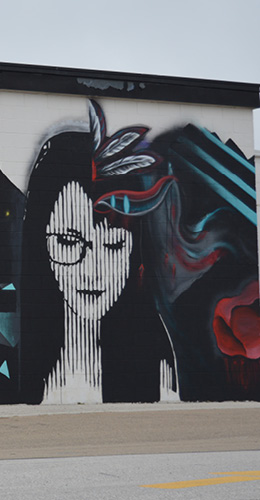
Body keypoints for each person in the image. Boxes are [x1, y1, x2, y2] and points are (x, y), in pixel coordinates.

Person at [20, 100, 178, 404]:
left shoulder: (155, 360)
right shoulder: (19, 355)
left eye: (115, 245)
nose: (93, 271)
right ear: (40, 241)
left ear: (135, 252)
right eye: (68, 243)